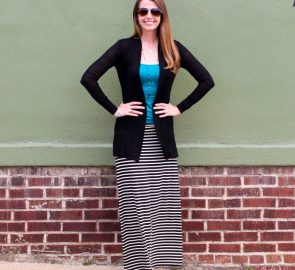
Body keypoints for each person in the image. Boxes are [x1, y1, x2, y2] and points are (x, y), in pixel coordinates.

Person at [80, 0, 215, 269]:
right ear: (136, 16)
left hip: (161, 139)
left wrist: (179, 108)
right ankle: (140, 265)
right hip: (131, 139)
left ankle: (162, 262)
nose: (149, 16)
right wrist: (115, 109)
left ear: (162, 15)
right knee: (135, 206)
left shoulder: (173, 49)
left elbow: (206, 80)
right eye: (143, 11)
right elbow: (89, 77)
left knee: (161, 205)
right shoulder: (124, 47)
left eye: (155, 11)